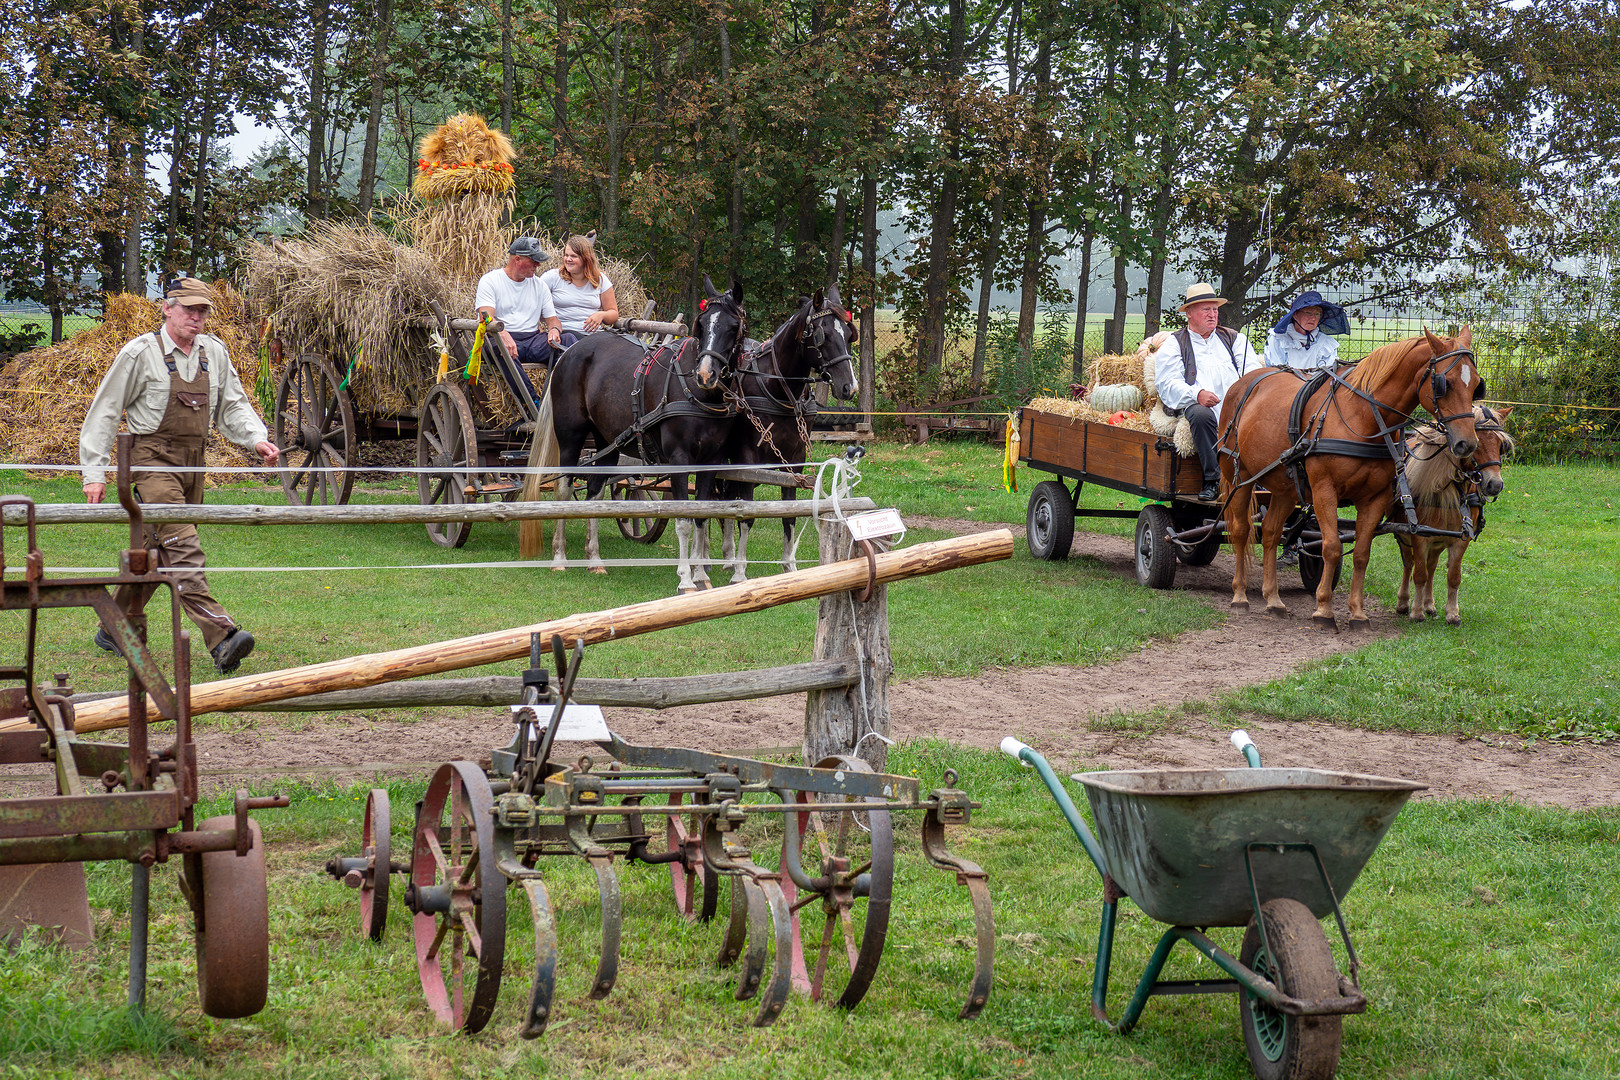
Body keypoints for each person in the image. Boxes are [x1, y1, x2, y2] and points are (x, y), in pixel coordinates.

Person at [80, 277, 280, 673]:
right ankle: (221, 635)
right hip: (150, 459)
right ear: (167, 308)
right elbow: (105, 410)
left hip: (193, 462)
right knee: (183, 544)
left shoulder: (214, 352)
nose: (196, 316)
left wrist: (256, 439)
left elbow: (234, 406)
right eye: (188, 308)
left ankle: (112, 625)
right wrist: (94, 471)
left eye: (203, 309)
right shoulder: (140, 352)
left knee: (159, 551)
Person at [1153, 282, 1261, 502]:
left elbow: (1253, 372)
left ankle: (1259, 476)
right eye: (1206, 310)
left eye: (1215, 309)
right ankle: (1213, 479)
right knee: (1201, 414)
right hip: (1195, 406)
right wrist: (1197, 394)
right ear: (1189, 313)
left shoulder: (1234, 339)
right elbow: (1167, 383)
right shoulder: (1175, 344)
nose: (1213, 315)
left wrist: (1246, 394)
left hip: (1236, 406)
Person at [475, 236, 556, 368]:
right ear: (517, 259)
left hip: (532, 340)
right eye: (533, 261)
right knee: (503, 349)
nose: (538, 265)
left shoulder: (540, 285)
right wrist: (501, 333)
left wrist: (554, 330)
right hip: (498, 337)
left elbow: (552, 319)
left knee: (568, 340)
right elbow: (485, 317)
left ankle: (565, 388)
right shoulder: (490, 280)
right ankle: (527, 390)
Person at [537, 233, 618, 350]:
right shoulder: (552, 277)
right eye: (566, 255)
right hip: (565, 335)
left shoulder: (600, 280)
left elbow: (613, 313)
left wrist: (601, 315)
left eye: (574, 256)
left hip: (594, 336)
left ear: (586, 259)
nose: (568, 259)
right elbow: (533, 305)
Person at [1265, 290, 1348, 370]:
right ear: (1295, 315)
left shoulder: (1327, 344)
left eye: (1317, 314)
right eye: (1308, 313)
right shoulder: (1278, 340)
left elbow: (1326, 378)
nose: (1313, 318)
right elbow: (1276, 375)